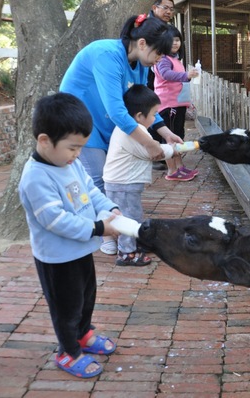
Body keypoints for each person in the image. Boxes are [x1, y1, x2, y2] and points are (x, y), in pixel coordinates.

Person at [59, 14, 181, 255]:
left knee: (110, 180)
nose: (158, 60)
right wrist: (150, 144)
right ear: (143, 43)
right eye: (158, 53)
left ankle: (114, 229)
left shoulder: (140, 63)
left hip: (109, 123)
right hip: (80, 122)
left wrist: (165, 132)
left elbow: (142, 103)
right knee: (98, 179)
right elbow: (117, 111)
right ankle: (103, 233)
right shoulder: (107, 55)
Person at [18, 93, 120, 379]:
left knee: (86, 298)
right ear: (44, 141)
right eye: (72, 148)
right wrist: (99, 228)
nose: (77, 155)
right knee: (66, 307)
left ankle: (84, 334)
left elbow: (90, 190)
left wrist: (109, 208)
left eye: (80, 148)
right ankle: (68, 351)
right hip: (56, 258)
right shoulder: (36, 176)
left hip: (81, 250)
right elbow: (55, 220)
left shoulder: (70, 164)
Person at [103, 84, 179, 265]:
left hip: (122, 183)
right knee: (129, 217)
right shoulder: (134, 132)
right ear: (139, 116)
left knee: (129, 215)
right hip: (123, 184)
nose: (155, 119)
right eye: (153, 114)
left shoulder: (128, 128)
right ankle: (127, 253)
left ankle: (132, 244)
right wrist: (173, 150)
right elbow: (153, 153)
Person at [153, 25, 199, 181]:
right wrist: (186, 74)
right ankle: (171, 170)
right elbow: (166, 74)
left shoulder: (175, 59)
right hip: (168, 105)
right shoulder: (163, 59)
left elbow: (180, 84)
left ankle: (180, 167)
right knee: (170, 139)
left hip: (177, 105)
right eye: (171, 40)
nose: (175, 43)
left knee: (178, 136)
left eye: (177, 40)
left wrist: (187, 103)